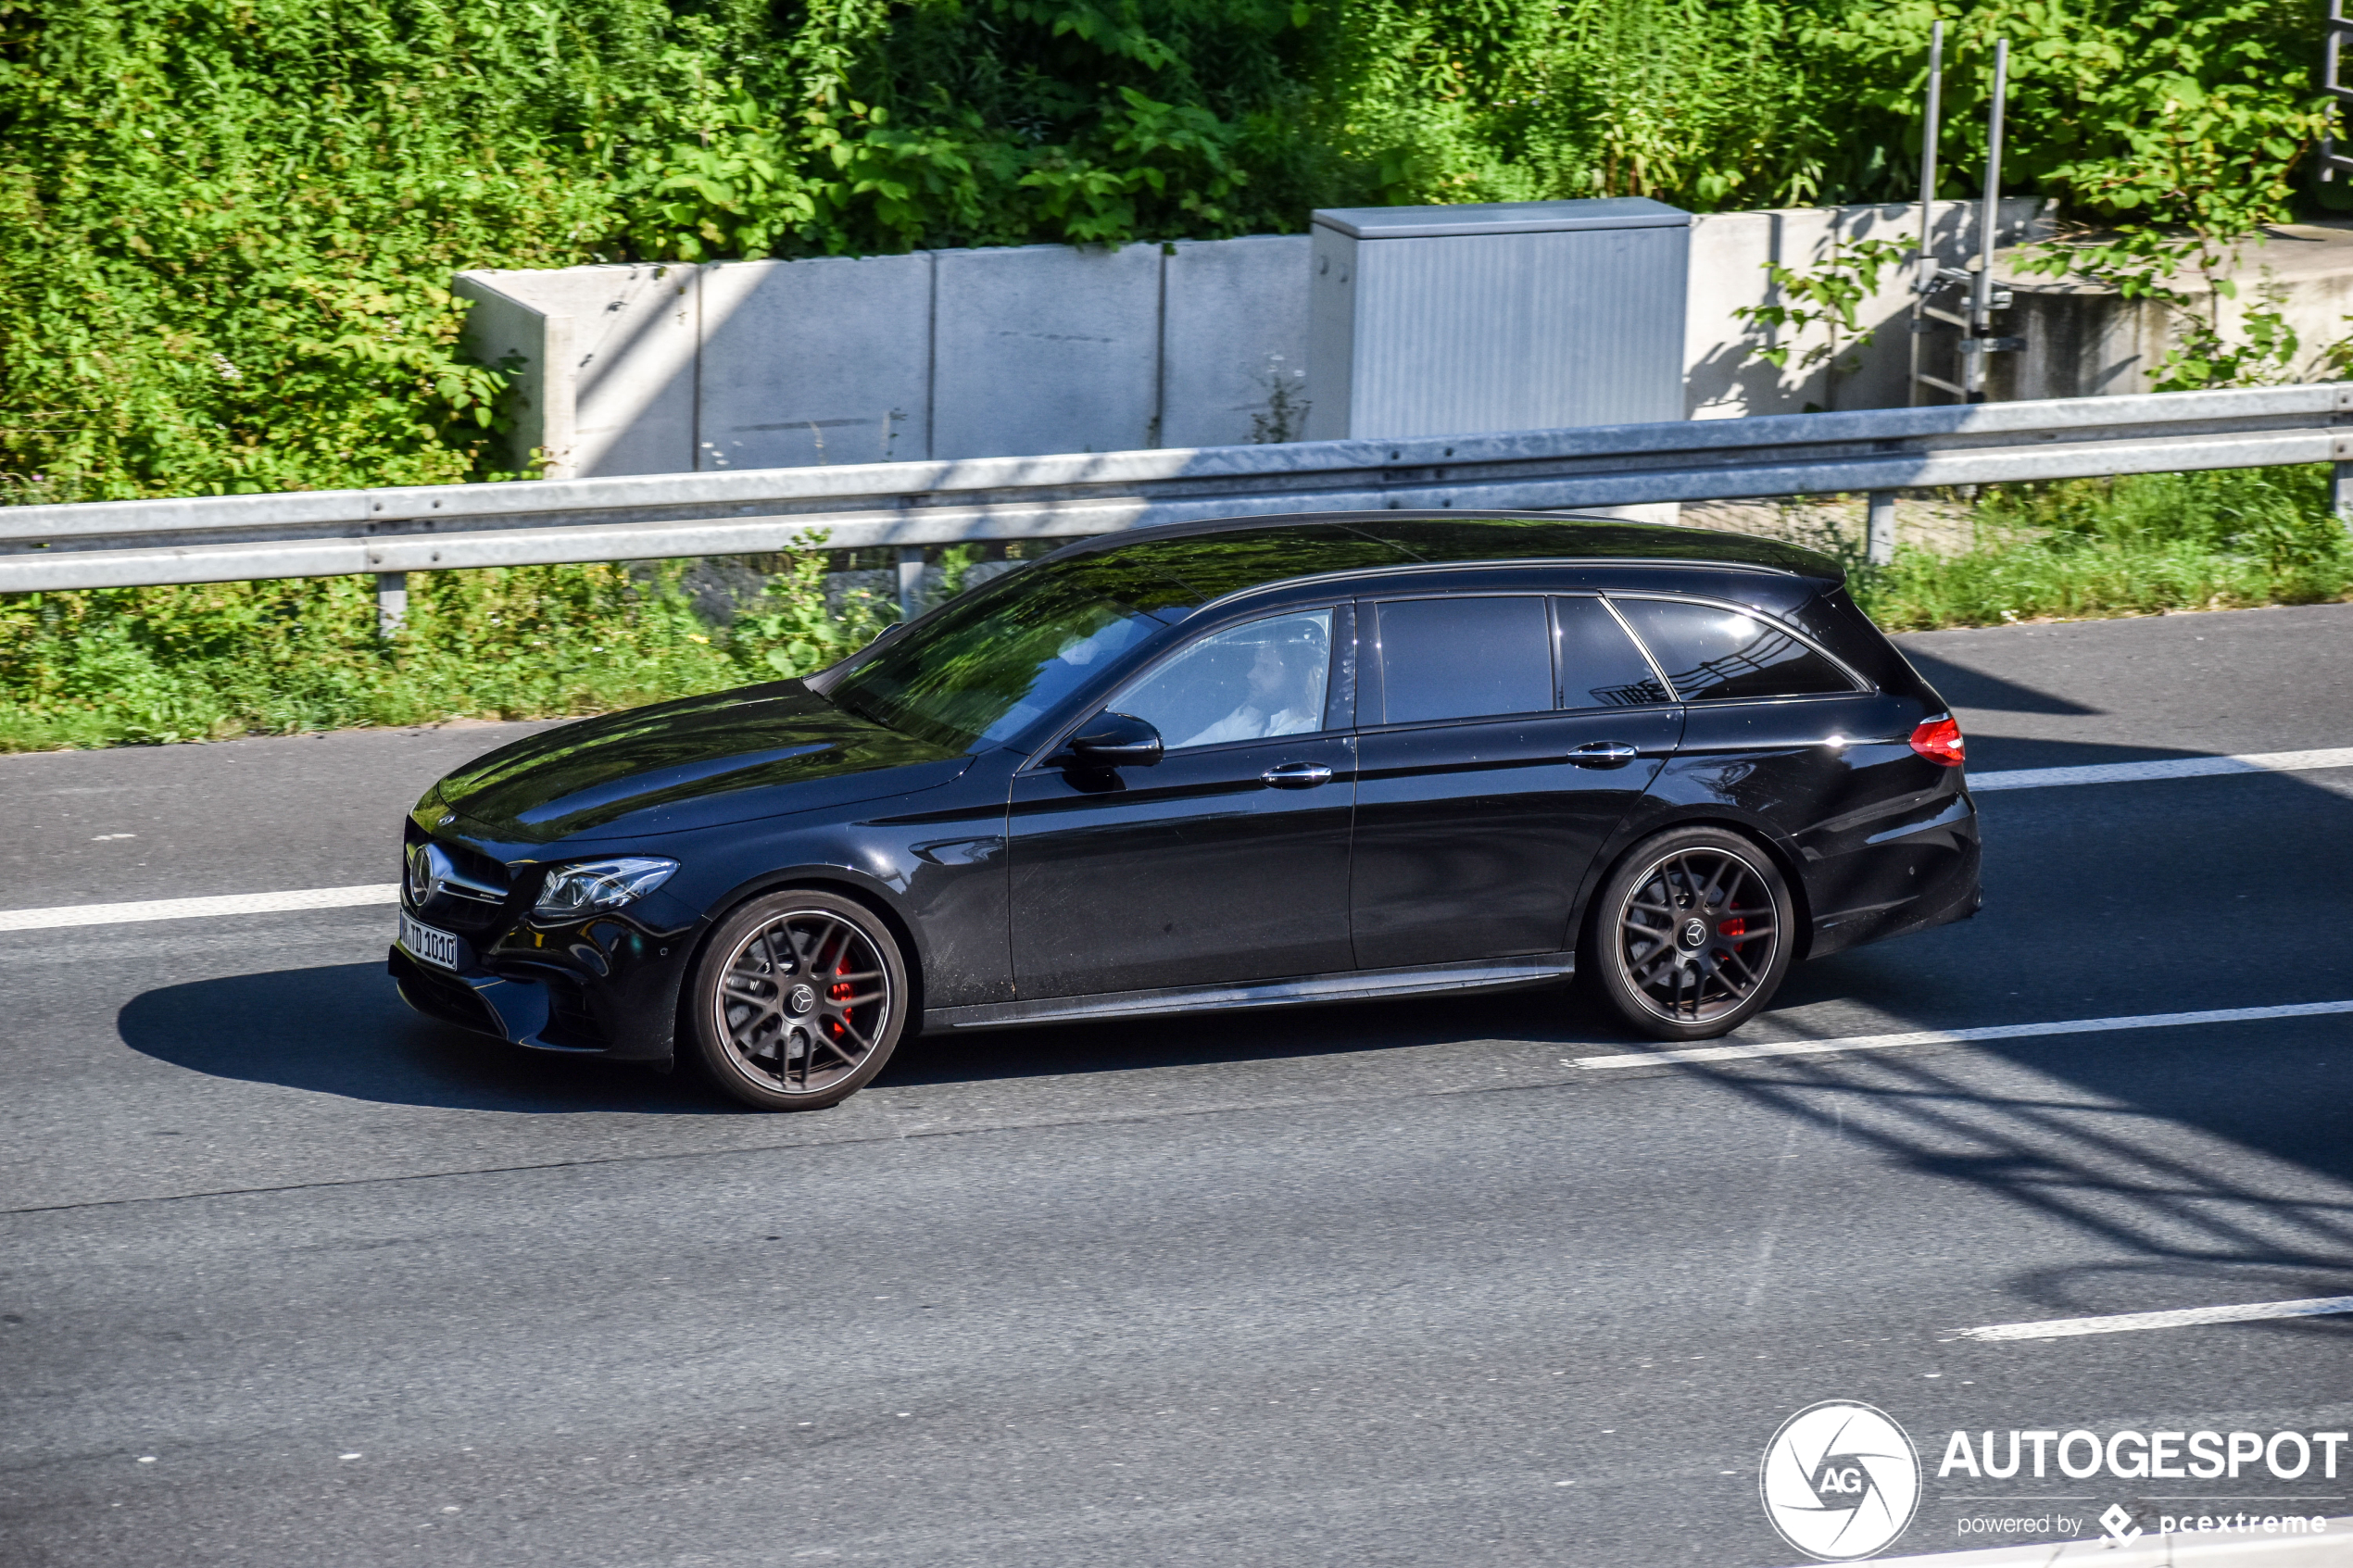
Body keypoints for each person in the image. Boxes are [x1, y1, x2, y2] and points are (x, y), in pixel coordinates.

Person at [1178, 625, 1327, 748]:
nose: (1250, 675)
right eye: (1255, 665)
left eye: (1265, 668)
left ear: (1294, 679)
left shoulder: (1308, 732)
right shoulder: (1248, 716)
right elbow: (1185, 752)